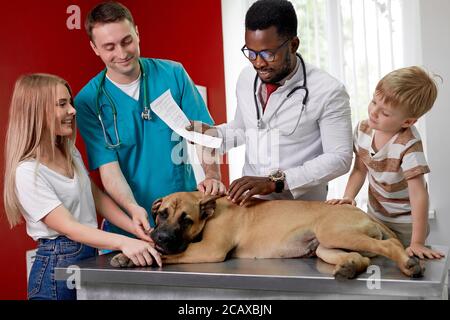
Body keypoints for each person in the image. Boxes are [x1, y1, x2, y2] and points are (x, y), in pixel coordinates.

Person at [3, 74, 162, 300]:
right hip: (54, 270)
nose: (72, 110)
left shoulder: (69, 151)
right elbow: (69, 228)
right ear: (36, 111)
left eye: (70, 102)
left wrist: (134, 228)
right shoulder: (27, 172)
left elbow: (95, 196)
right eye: (61, 104)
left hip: (86, 257)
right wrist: (124, 242)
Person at [75, 2, 224, 237]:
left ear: (137, 33)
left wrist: (212, 175)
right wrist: (133, 208)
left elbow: (202, 134)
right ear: (94, 48)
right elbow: (109, 170)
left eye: (126, 41)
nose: (122, 54)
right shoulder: (88, 101)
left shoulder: (173, 75)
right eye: (109, 47)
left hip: (182, 220)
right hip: (130, 223)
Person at [188, 0, 352, 205]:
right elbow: (243, 129)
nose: (258, 63)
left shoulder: (328, 91)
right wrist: (214, 135)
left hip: (299, 208)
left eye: (268, 54)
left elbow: (340, 158)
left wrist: (276, 181)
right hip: (251, 204)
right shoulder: (247, 78)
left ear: (293, 45)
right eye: (250, 52)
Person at [326, 66, 444, 259]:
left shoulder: (408, 144)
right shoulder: (363, 129)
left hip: (406, 225)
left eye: (385, 113)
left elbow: (418, 193)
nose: (373, 112)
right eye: (374, 102)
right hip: (376, 216)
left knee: (405, 263)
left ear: (407, 122)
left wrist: (417, 242)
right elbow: (359, 169)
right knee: (376, 260)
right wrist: (349, 197)